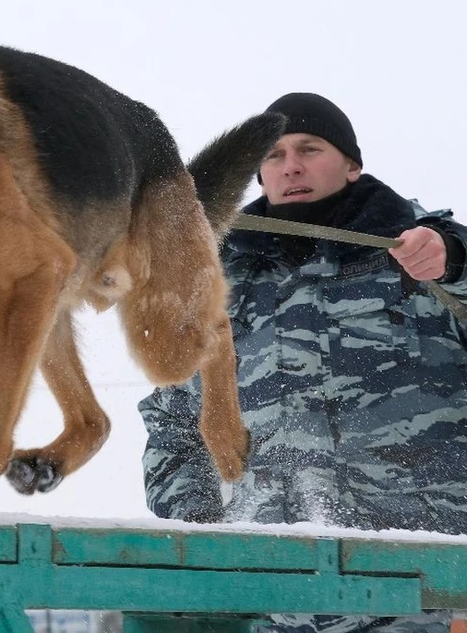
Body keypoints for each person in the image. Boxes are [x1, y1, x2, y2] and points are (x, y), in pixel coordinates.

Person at [140, 92, 467, 633]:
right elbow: (173, 425)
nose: (290, 165)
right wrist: (209, 536)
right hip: (278, 600)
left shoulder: (421, 253)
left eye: (310, 148)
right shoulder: (216, 284)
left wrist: (453, 259)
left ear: (352, 165)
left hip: (424, 593)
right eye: (273, 155)